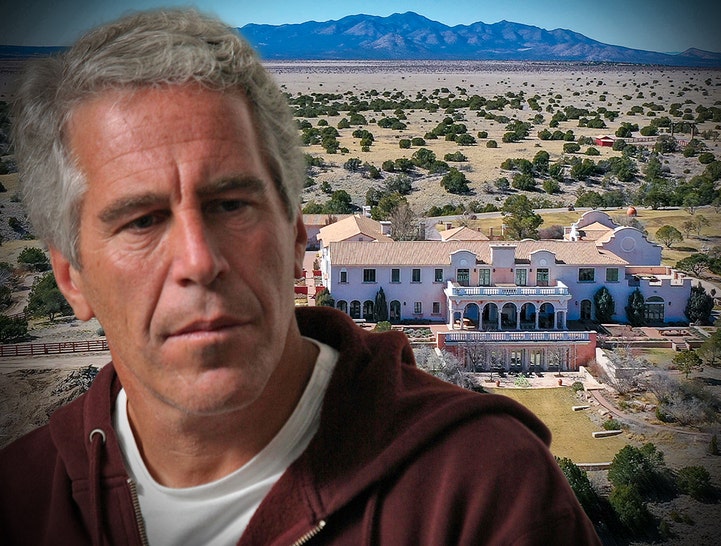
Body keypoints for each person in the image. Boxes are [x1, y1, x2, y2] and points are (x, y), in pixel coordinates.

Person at [0, 9, 601, 545]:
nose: (199, 262)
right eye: (141, 221)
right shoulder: (22, 501)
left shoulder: (481, 494)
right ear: (71, 277)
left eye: (231, 204)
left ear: (295, 238)